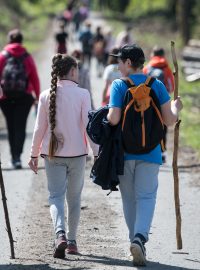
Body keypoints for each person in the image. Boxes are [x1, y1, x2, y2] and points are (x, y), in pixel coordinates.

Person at [107, 44, 183, 266]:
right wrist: (177, 107)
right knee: (147, 196)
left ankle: (135, 240)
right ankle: (140, 239)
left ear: (129, 63)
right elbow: (169, 120)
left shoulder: (119, 85)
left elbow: (113, 119)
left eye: (120, 61)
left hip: (124, 153)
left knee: (129, 199)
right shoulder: (156, 85)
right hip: (151, 152)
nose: (118, 65)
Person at [28, 54, 98, 258]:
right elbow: (89, 126)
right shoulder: (83, 94)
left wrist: (33, 155)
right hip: (77, 155)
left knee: (55, 196)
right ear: (73, 71)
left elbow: (39, 128)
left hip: (52, 155)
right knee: (74, 199)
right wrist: (96, 151)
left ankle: (60, 234)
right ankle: (73, 241)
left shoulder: (45, 95)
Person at [0, 29, 40, 169]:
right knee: (20, 126)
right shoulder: (27, 57)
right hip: (24, 96)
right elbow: (34, 77)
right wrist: (37, 96)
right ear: (22, 41)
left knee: (11, 126)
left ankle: (13, 156)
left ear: (9, 40)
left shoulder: (3, 56)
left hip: (5, 97)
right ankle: (18, 157)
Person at [143, 46, 175, 162]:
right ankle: (162, 152)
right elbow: (171, 87)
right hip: (163, 102)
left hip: (147, 101)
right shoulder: (166, 68)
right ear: (163, 55)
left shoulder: (147, 68)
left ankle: (147, 149)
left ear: (152, 54)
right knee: (163, 127)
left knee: (148, 124)